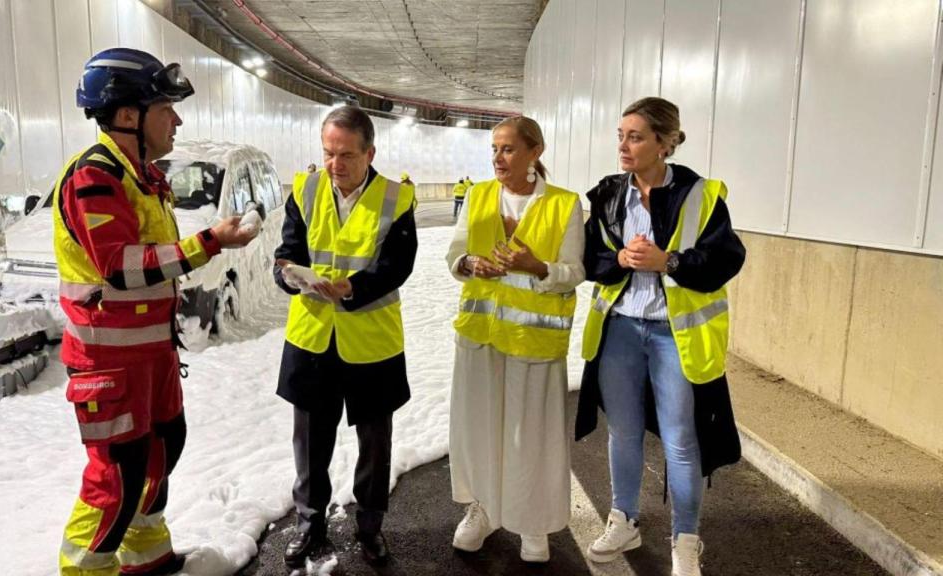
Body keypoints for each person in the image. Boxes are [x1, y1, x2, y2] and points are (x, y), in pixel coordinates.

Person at [54, 48, 256, 576]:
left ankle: (147, 560)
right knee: (115, 482)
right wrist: (210, 241)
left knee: (163, 451)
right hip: (108, 362)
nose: (178, 119)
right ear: (128, 116)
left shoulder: (143, 175)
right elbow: (121, 267)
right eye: (166, 107)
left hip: (149, 354)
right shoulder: (95, 178)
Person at [575, 97, 746, 576]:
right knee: (623, 432)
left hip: (675, 336)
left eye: (635, 137)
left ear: (664, 143)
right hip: (620, 329)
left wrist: (668, 261)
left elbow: (726, 260)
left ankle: (686, 538)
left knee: (680, 439)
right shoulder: (608, 195)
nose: (624, 146)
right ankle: (623, 518)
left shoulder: (702, 195)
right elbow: (590, 259)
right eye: (621, 135)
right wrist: (621, 262)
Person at [273, 106, 417, 568]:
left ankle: (370, 526)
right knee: (311, 441)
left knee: (375, 443)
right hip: (313, 338)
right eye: (329, 153)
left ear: (370, 152)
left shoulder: (397, 199)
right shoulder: (307, 189)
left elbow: (397, 266)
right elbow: (287, 251)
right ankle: (309, 522)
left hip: (371, 342)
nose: (335, 164)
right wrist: (288, 275)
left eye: (346, 155)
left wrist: (354, 287)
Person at [445, 116, 584, 563]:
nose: (497, 158)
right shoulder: (479, 196)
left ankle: (533, 522)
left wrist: (537, 267)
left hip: (534, 341)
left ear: (534, 152)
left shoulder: (565, 205)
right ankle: (482, 509)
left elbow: (574, 273)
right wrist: (470, 263)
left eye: (507, 149)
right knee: (481, 425)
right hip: (481, 336)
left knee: (532, 436)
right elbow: (454, 255)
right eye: (494, 149)